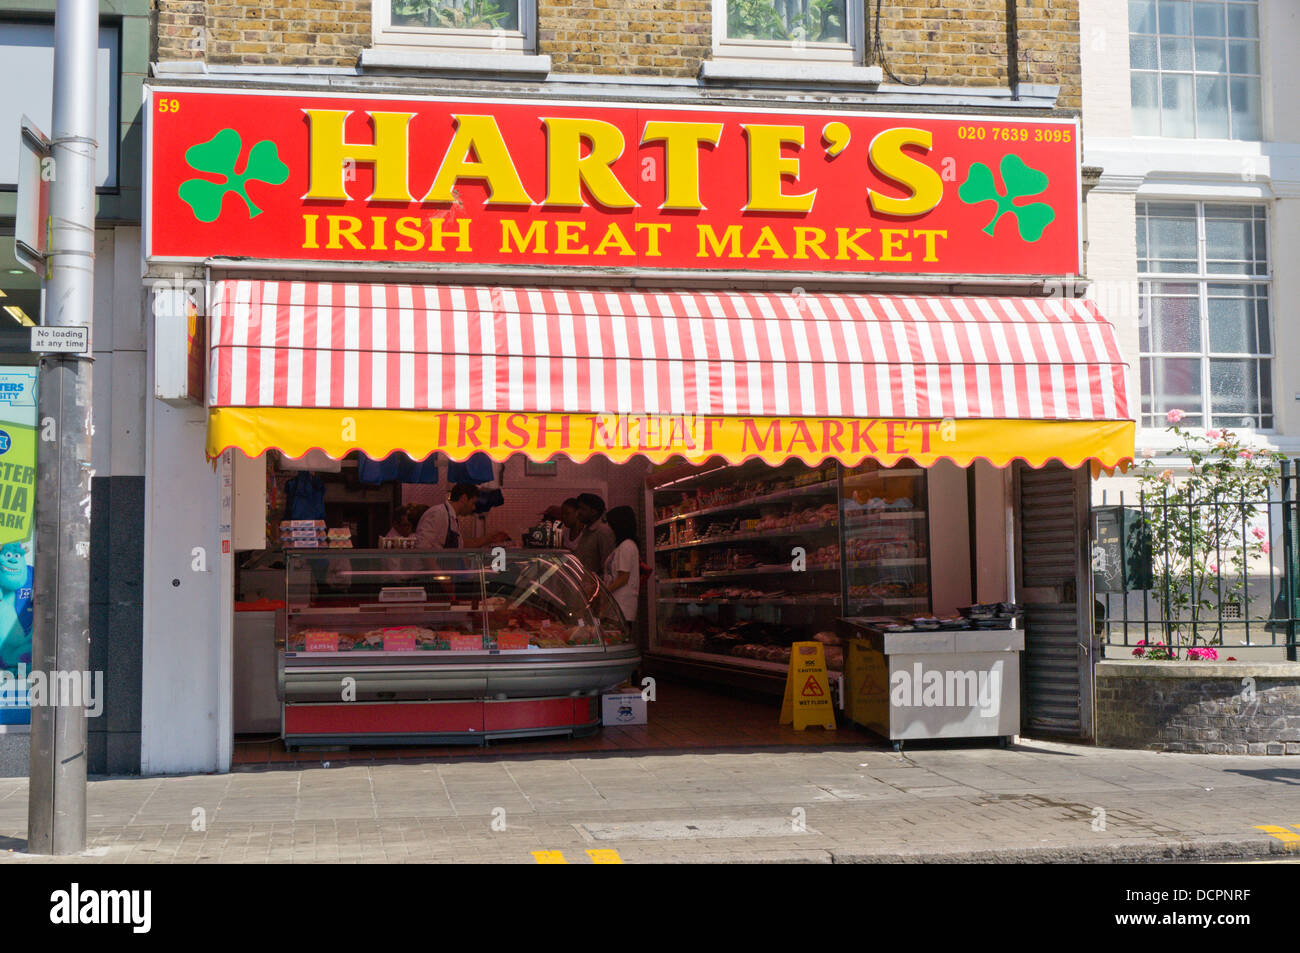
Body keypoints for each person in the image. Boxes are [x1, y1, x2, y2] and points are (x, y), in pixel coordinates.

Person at [414, 483, 511, 550]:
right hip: (429, 576)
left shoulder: (451, 517)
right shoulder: (438, 513)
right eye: (473, 503)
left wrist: (489, 539)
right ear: (464, 498)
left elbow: (461, 544)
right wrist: (438, 573)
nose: (473, 508)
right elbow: (423, 547)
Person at [602, 506, 640, 623]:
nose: (608, 528)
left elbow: (623, 577)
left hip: (622, 605)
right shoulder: (621, 546)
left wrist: (604, 592)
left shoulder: (627, 546)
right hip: (617, 605)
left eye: (610, 524)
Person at [572, 492, 614, 576]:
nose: (578, 512)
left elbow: (607, 567)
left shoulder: (603, 532)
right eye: (578, 508)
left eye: (583, 509)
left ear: (594, 512)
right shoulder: (586, 530)